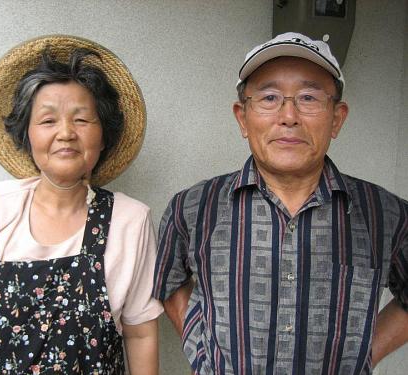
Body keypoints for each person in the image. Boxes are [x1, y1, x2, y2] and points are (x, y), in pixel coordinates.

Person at [153, 32, 408, 374]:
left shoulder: (386, 214)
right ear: (242, 118)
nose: (288, 116)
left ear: (337, 118)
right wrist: (202, 351)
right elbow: (170, 282)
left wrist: (367, 352)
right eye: (269, 97)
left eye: (308, 97)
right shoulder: (194, 207)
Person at [0, 35, 162, 375]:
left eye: (81, 120)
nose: (65, 132)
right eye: (48, 121)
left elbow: (140, 334)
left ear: (103, 135)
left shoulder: (131, 221)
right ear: (27, 134)